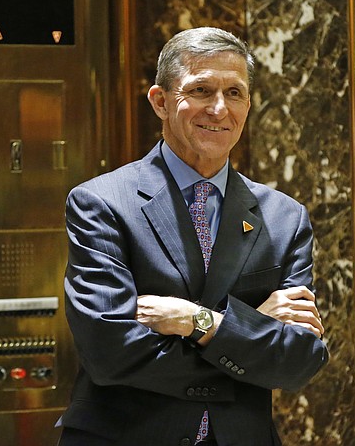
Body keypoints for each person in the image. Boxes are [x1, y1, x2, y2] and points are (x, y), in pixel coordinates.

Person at [56, 27, 329, 446]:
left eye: (235, 93)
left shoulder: (284, 217)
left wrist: (196, 321)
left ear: (249, 105)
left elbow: (297, 361)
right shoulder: (102, 203)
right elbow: (111, 354)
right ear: (161, 102)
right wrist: (252, 331)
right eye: (201, 90)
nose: (219, 109)